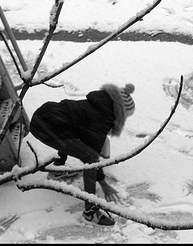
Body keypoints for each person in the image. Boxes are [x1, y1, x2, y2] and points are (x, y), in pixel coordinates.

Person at [30, 83, 136, 226]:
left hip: (41, 118)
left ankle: (57, 171)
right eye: (125, 117)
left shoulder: (97, 105)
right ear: (120, 113)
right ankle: (90, 212)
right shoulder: (102, 119)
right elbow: (93, 157)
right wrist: (103, 183)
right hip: (46, 127)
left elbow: (77, 132)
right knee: (90, 157)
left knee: (72, 131)